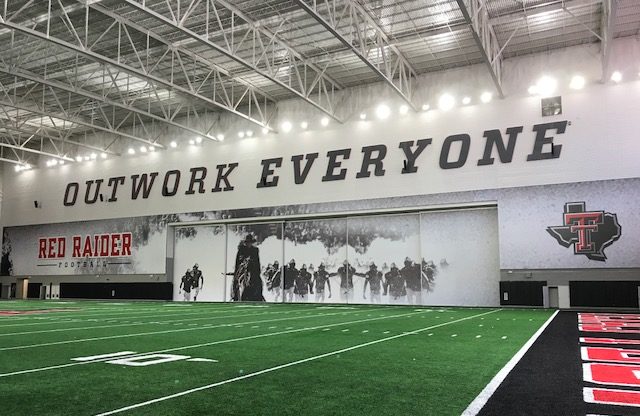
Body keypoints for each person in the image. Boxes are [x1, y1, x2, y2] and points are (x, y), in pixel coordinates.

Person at [230, 234, 265, 301]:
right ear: (245, 243)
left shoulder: (255, 250)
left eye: (250, 242)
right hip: (243, 269)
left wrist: (258, 271)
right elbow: (237, 261)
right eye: (247, 242)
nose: (248, 244)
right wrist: (237, 270)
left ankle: (260, 296)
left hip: (253, 268)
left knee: (259, 281)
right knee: (236, 280)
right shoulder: (241, 250)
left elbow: (258, 261)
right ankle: (235, 296)